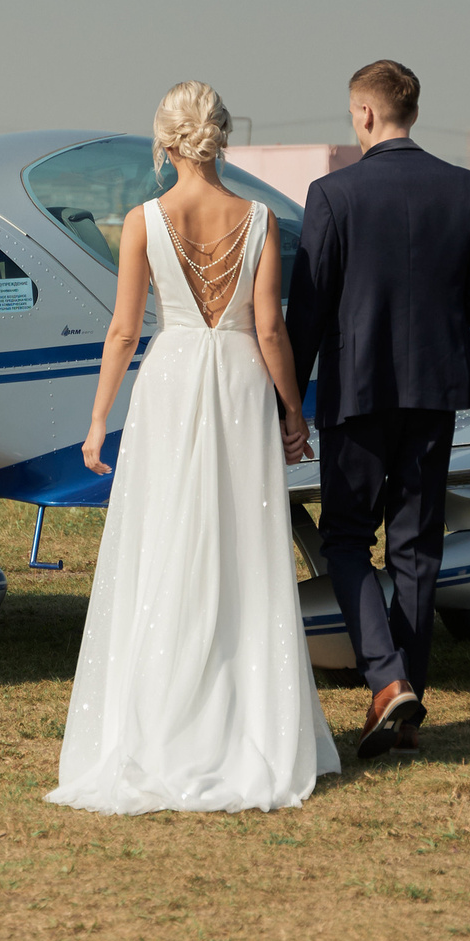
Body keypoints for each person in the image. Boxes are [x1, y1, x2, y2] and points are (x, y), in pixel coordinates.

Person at [45, 82, 340, 814]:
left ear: (166, 143)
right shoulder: (262, 218)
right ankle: (248, 723)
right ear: (221, 138)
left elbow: (122, 330)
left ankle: (158, 721)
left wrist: (96, 417)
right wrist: (293, 412)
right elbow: (270, 328)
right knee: (245, 544)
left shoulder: (143, 220)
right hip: (241, 384)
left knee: (168, 542)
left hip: (171, 382)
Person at [283, 60, 470, 760]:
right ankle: (403, 711)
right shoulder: (462, 188)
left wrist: (286, 402)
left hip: (360, 392)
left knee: (345, 539)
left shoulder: (333, 194)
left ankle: (387, 679)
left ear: (367, 114)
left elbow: (307, 315)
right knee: (417, 547)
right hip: (436, 389)